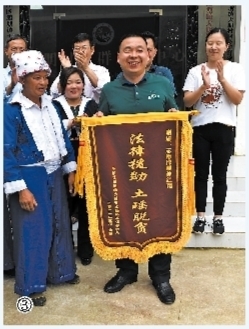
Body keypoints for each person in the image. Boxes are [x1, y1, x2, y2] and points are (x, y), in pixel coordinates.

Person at [95, 33, 178, 305]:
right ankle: (126, 271)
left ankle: (161, 276)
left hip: (158, 172)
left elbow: (176, 122)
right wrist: (97, 121)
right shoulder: (109, 90)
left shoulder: (163, 84)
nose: (134, 55)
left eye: (140, 50)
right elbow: (102, 124)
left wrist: (174, 119)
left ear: (149, 55)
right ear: (118, 57)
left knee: (160, 216)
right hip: (122, 171)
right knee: (123, 215)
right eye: (127, 50)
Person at [4, 50, 80, 307]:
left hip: (55, 172)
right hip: (29, 176)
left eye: (44, 77)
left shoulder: (51, 105)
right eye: (36, 77)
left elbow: (62, 138)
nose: (42, 82)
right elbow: (5, 151)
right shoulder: (11, 111)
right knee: (32, 231)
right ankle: (30, 285)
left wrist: (70, 170)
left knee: (60, 224)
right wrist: (20, 189)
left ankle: (61, 272)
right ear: (23, 79)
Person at [182, 27, 245, 235]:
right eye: (210, 42)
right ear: (205, 45)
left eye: (218, 43)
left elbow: (237, 100)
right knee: (200, 175)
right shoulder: (195, 71)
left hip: (224, 129)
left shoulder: (235, 69)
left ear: (226, 46)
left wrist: (222, 79)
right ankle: (200, 217)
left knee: (220, 175)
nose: (213, 46)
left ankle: (218, 218)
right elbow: (187, 102)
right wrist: (203, 86)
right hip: (200, 128)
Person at [53, 66, 98, 265]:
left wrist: (96, 120)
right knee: (63, 207)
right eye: (69, 82)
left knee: (86, 206)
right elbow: (50, 129)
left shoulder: (91, 104)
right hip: (61, 161)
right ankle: (65, 250)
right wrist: (71, 122)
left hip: (87, 161)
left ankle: (86, 249)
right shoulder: (53, 105)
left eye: (78, 82)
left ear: (83, 85)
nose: (74, 86)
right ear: (62, 85)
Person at [50, 32, 110, 103]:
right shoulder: (68, 68)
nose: (80, 52)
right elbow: (54, 93)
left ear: (92, 50)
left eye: (84, 48)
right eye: (77, 49)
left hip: (94, 112)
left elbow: (105, 92)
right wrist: (68, 71)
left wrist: (85, 68)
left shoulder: (101, 71)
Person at [141, 31, 177, 96]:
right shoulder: (126, 75)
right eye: (141, 50)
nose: (145, 54)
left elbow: (170, 99)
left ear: (155, 52)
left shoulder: (163, 73)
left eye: (149, 50)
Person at [3, 34, 28, 102]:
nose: (18, 52)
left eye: (22, 50)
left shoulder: (33, 73)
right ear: (6, 51)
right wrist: (12, 85)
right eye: (14, 49)